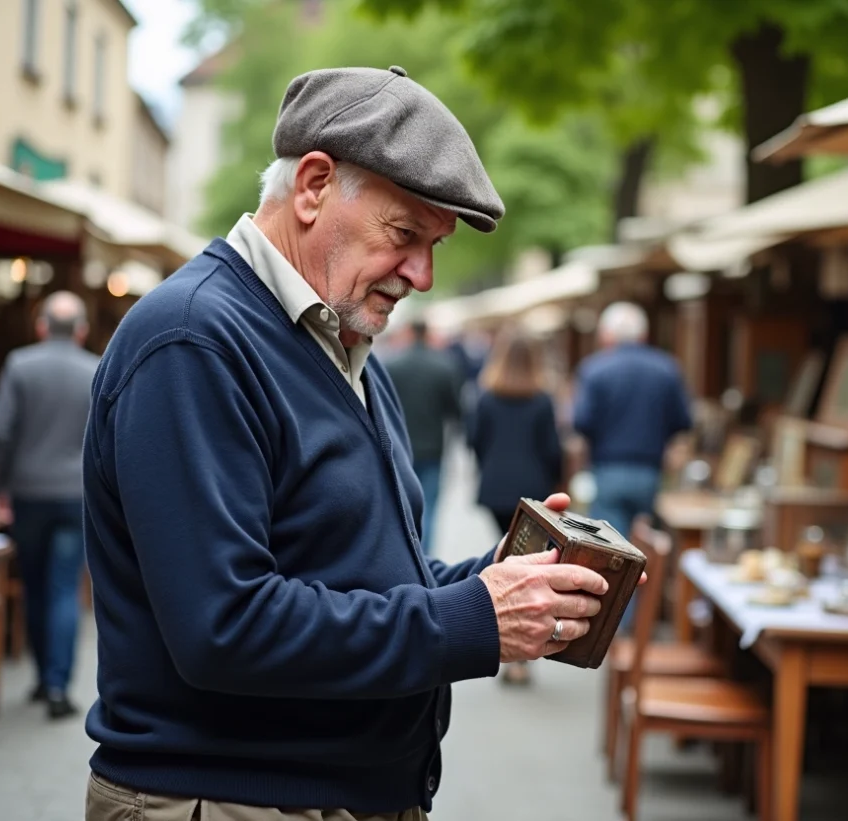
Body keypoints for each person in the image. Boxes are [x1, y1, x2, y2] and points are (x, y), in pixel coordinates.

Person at [81, 66, 625, 821]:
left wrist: (495, 577)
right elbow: (224, 627)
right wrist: (473, 616)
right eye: (405, 235)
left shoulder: (341, 348)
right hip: (228, 798)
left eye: (434, 245)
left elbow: (350, 567)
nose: (424, 276)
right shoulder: (193, 338)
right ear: (312, 186)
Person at [0, 290, 99, 719]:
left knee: (33, 584)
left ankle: (39, 675)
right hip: (74, 496)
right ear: (82, 331)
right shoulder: (95, 369)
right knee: (64, 587)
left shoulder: (20, 365)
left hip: (28, 493)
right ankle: (57, 685)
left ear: (41, 326)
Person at [572, 301, 692, 626]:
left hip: (609, 470)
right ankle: (636, 624)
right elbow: (683, 420)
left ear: (608, 336)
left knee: (611, 553)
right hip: (650, 472)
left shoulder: (595, 368)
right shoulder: (667, 368)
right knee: (644, 549)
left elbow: (581, 421)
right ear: (644, 335)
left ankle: (613, 626)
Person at [467, 329, 563, 686]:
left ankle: (510, 647)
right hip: (534, 491)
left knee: (507, 559)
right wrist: (556, 480)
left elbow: (474, 440)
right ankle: (521, 655)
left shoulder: (488, 396)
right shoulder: (541, 399)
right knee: (531, 568)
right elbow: (553, 449)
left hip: (495, 488)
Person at [383, 318, 462, 555]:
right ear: (427, 334)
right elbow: (455, 411)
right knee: (430, 507)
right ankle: (424, 558)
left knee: (401, 506)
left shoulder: (392, 365)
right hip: (433, 448)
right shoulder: (443, 366)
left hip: (398, 448)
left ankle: (406, 555)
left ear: (408, 333)